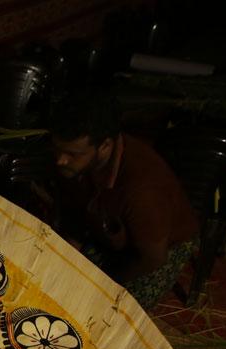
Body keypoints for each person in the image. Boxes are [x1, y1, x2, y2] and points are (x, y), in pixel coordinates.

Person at [49, 90, 199, 310]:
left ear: (105, 147)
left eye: (72, 154)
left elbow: (153, 258)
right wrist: (67, 254)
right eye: (58, 150)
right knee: (57, 277)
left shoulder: (143, 189)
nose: (60, 160)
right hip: (108, 227)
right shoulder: (77, 162)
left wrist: (107, 282)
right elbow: (75, 217)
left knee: (107, 308)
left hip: (156, 249)